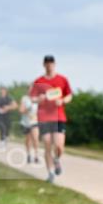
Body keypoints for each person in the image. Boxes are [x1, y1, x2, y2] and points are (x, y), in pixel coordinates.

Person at [28, 55, 73, 183]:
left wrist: (63, 100)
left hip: (59, 116)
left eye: (51, 63)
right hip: (44, 117)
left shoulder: (62, 79)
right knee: (47, 143)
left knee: (59, 146)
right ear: (44, 65)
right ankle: (51, 173)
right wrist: (38, 99)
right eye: (47, 63)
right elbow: (31, 98)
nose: (49, 65)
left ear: (54, 64)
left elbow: (69, 95)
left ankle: (57, 159)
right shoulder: (39, 81)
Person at [19, 93, 40, 164]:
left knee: (35, 138)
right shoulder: (24, 98)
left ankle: (36, 156)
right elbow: (21, 110)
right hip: (26, 122)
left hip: (35, 122)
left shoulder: (38, 98)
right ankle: (28, 155)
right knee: (28, 139)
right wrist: (28, 109)